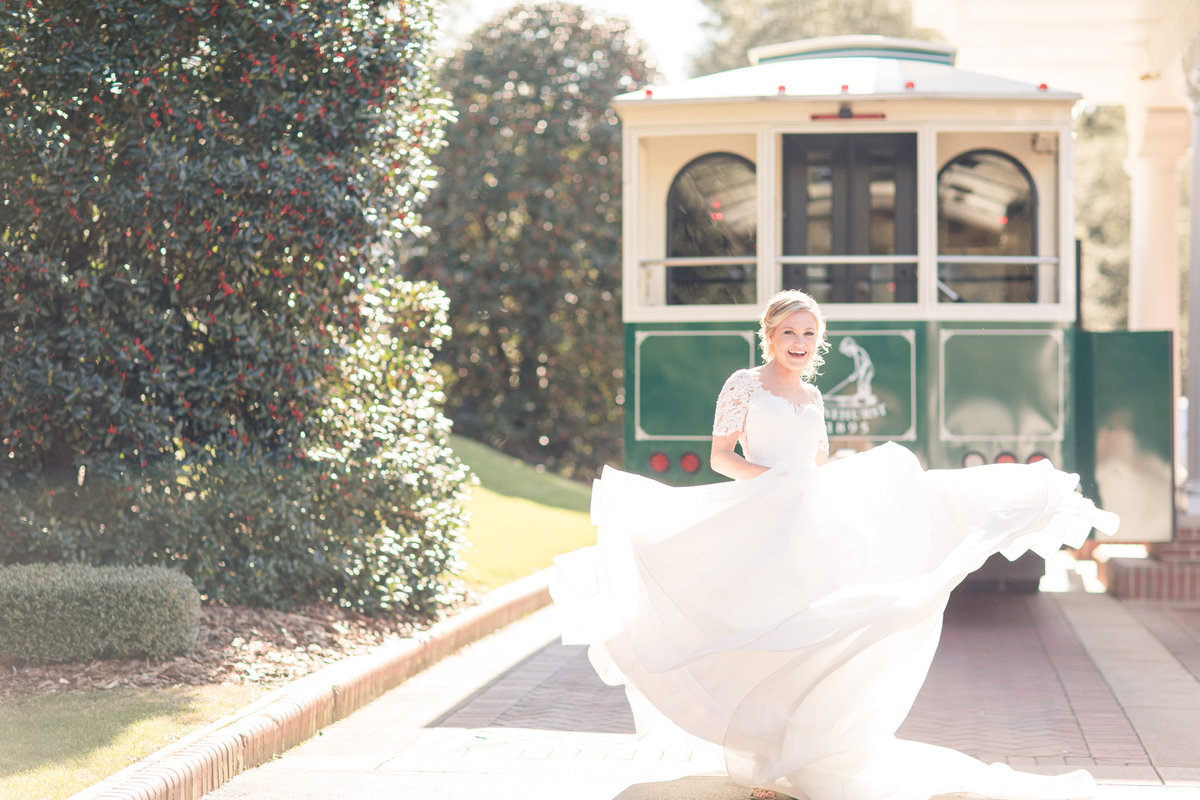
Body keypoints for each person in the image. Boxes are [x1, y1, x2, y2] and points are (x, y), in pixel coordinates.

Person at [551, 290, 1119, 800]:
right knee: (765, 632)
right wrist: (771, 482)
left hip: (808, 525)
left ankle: (796, 753)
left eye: (809, 334)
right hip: (762, 519)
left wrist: (835, 494)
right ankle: (763, 762)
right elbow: (722, 457)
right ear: (770, 335)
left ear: (818, 341)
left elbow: (816, 463)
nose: (799, 343)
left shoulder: (814, 394)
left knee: (820, 625)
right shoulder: (744, 384)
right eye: (789, 332)